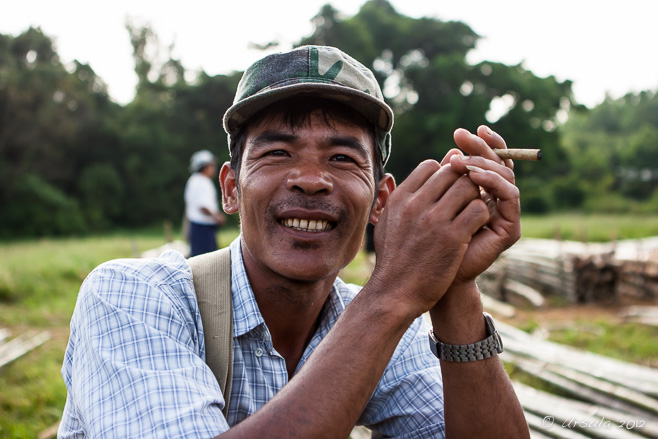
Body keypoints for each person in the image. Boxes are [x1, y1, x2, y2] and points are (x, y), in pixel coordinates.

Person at [59, 45, 530, 438]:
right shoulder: (131, 296)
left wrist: (454, 287)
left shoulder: (387, 328)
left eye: (343, 157)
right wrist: (394, 292)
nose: (310, 180)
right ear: (230, 188)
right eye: (278, 152)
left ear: (381, 200)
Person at [184, 150, 227, 257]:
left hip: (196, 227)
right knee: (208, 264)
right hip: (203, 230)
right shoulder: (203, 182)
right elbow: (203, 206)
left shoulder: (193, 180)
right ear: (204, 167)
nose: (213, 169)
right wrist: (218, 217)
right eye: (211, 165)